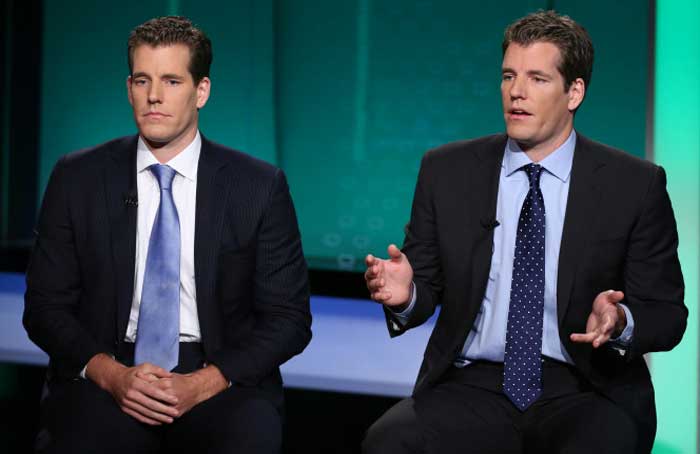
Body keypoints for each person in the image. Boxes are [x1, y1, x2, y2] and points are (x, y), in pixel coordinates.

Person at [362, 10, 686, 454]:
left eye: (537, 78)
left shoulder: (634, 185)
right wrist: (407, 295)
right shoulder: (447, 170)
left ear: (574, 92)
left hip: (585, 386)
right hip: (474, 383)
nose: (516, 92)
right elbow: (426, 285)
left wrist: (621, 322)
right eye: (508, 76)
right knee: (388, 442)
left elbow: (667, 314)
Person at [23, 16, 311, 454]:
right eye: (142, 80)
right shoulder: (77, 177)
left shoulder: (258, 187)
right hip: (106, 369)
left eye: (172, 81)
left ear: (202, 91)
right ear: (129, 87)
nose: (154, 96)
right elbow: (44, 308)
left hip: (220, 377)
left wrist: (203, 383)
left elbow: (289, 320)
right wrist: (112, 375)